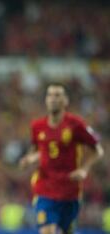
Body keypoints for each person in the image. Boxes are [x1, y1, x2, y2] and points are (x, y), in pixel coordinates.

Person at [19, 83, 104, 234]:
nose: (53, 99)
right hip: (44, 189)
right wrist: (29, 159)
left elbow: (98, 150)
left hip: (70, 190)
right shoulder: (37, 126)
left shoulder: (76, 125)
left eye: (58, 95)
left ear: (65, 100)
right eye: (50, 95)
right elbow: (37, 150)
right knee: (47, 231)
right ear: (46, 100)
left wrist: (84, 169)